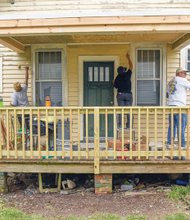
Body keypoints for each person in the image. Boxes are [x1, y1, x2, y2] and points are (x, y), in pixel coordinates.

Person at [167, 67, 190, 148]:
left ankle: (170, 144)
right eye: (184, 73)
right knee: (181, 126)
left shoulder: (170, 81)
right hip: (179, 106)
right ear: (179, 73)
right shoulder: (182, 80)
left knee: (172, 126)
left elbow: (168, 94)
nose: (185, 75)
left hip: (171, 106)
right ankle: (182, 145)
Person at [114, 52, 133, 129]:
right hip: (128, 94)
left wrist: (114, 81)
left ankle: (120, 126)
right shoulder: (127, 74)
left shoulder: (117, 78)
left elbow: (115, 86)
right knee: (129, 111)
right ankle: (128, 126)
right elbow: (131, 66)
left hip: (120, 94)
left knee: (121, 111)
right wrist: (128, 57)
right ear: (124, 71)